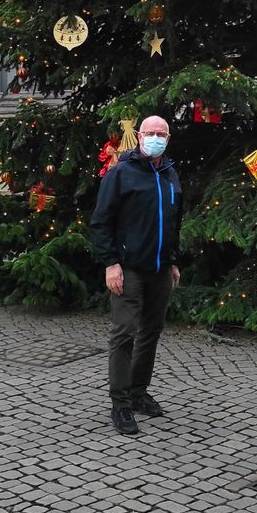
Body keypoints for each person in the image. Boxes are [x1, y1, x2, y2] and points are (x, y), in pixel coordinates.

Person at [90, 115, 182, 436]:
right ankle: (120, 403)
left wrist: (172, 261)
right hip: (128, 269)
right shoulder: (121, 174)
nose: (156, 137)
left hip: (160, 269)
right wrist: (111, 263)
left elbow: (173, 223)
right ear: (139, 137)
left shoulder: (170, 176)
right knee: (124, 332)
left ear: (168, 139)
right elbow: (101, 222)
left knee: (151, 331)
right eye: (150, 133)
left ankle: (138, 390)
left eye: (161, 133)